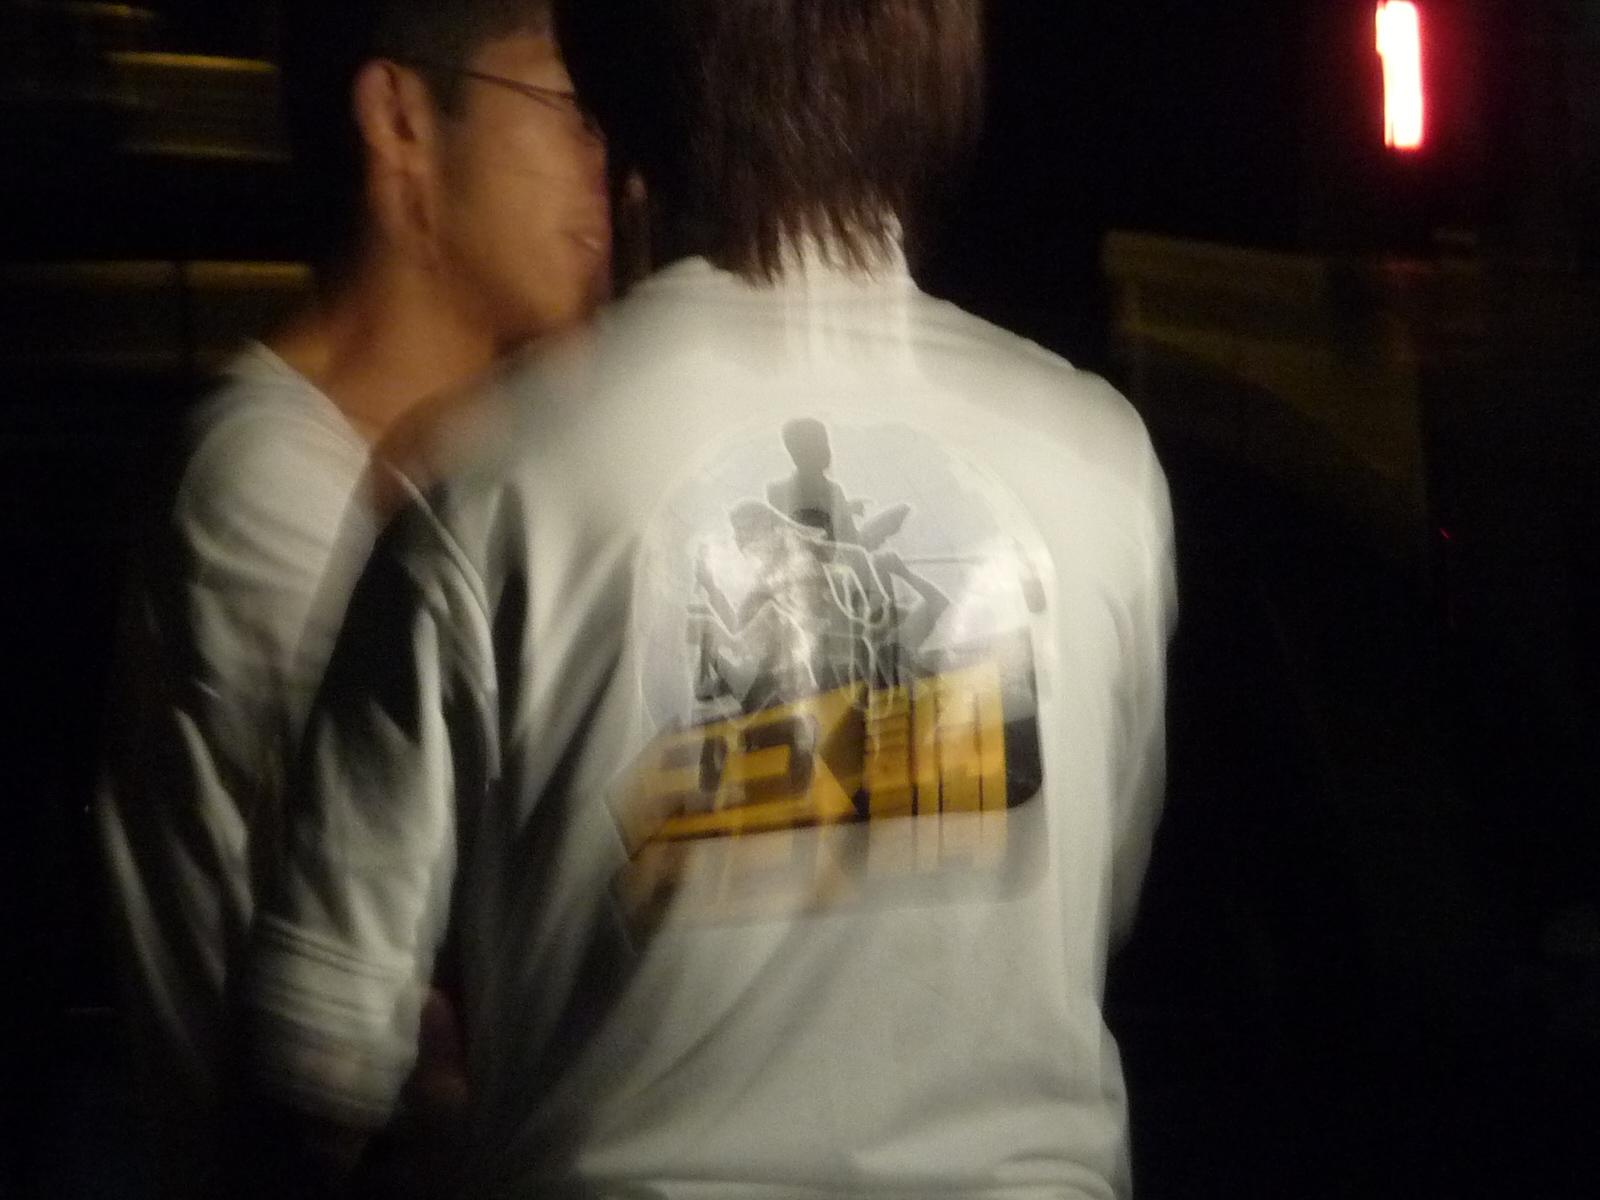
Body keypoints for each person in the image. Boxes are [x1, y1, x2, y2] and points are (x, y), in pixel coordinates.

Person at [241, 1, 1176, 1196]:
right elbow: (1089, 909)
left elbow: (318, 1059)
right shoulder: (1096, 456)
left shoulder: (487, 477)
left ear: (612, 87)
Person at [94, 1, 608, 1194]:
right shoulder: (264, 488)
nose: (610, 165)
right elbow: (499, 936)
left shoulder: (491, 467)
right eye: (569, 110)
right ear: (400, 120)